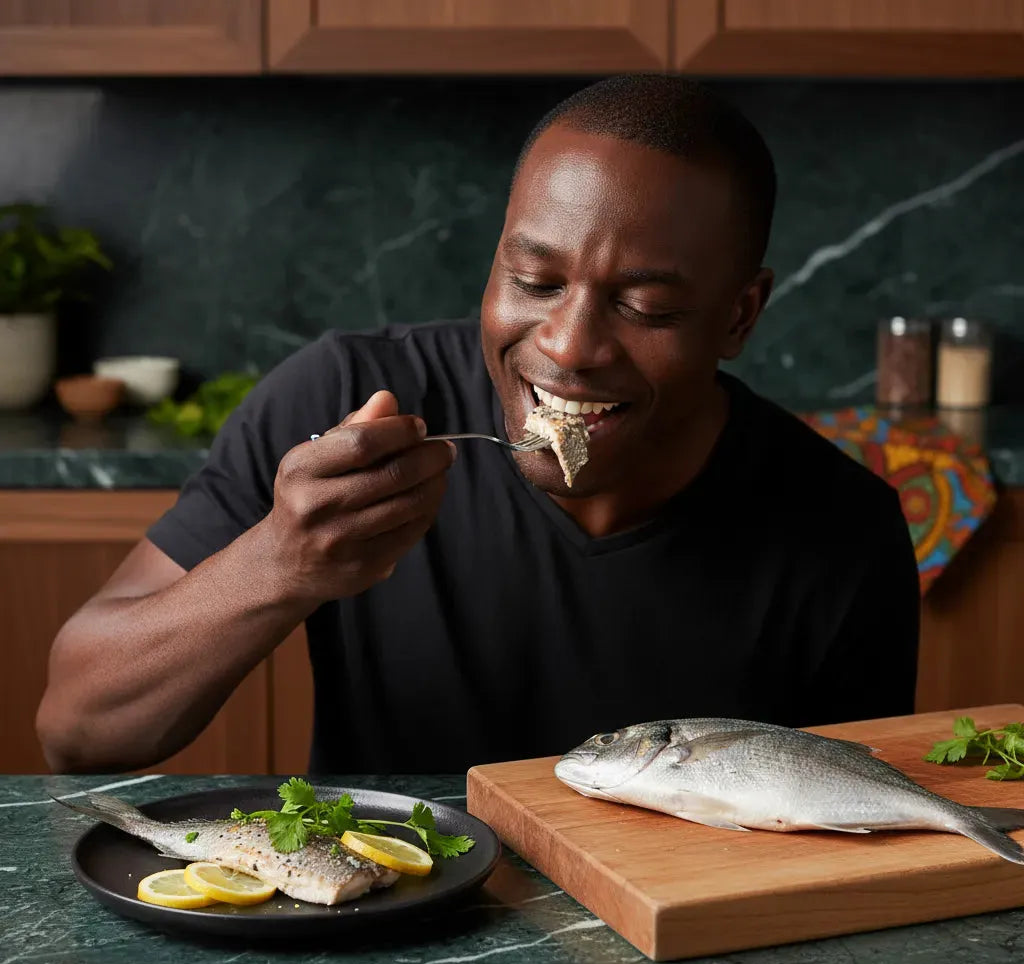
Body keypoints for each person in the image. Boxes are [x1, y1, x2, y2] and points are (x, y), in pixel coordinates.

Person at [38, 74, 920, 775]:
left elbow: (849, 832)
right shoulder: (345, 402)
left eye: (645, 306)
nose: (568, 346)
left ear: (739, 314)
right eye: (535, 283)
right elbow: (78, 731)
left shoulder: (842, 530)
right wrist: (279, 562)